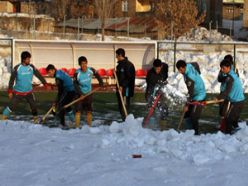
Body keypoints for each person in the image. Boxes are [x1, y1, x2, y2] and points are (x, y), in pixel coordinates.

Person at [2, 51, 47, 123]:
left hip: (29, 92)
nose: (29, 60)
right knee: (11, 106)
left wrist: (45, 83)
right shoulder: (17, 68)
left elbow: (39, 75)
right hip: (18, 93)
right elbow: (11, 80)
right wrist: (10, 91)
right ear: (23, 59)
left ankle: (35, 119)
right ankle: (3, 117)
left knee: (33, 106)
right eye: (28, 59)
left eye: (29, 59)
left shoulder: (31, 67)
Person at [176, 60, 206, 135]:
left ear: (184, 67)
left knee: (193, 116)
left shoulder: (189, 77)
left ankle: (196, 133)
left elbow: (191, 93)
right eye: (179, 70)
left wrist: (187, 105)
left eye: (181, 69)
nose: (180, 71)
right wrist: (198, 73)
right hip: (194, 92)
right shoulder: (189, 65)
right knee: (186, 114)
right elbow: (195, 63)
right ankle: (189, 130)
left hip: (199, 95)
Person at [216, 59, 245, 134]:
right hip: (238, 101)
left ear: (229, 67)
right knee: (233, 119)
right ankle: (237, 132)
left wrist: (218, 97)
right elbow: (221, 80)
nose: (222, 70)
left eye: (224, 68)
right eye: (221, 68)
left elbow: (227, 91)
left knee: (228, 119)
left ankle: (228, 137)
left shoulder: (230, 77)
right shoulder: (232, 74)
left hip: (237, 102)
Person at [73, 56, 104, 127]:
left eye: (85, 63)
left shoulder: (91, 70)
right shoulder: (77, 73)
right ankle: (77, 127)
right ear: (79, 65)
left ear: (87, 63)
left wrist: (101, 83)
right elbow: (75, 85)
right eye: (82, 64)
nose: (84, 65)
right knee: (78, 111)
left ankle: (89, 126)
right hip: (79, 93)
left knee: (89, 110)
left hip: (89, 92)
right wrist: (80, 94)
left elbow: (98, 75)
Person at [115, 48, 135, 121]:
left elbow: (129, 78)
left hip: (126, 89)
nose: (116, 57)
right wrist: (115, 74)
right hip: (119, 89)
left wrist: (122, 85)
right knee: (121, 106)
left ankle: (126, 121)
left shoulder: (129, 65)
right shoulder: (119, 65)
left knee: (125, 106)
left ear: (120, 55)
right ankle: (124, 121)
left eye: (117, 55)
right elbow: (119, 77)